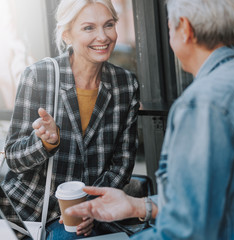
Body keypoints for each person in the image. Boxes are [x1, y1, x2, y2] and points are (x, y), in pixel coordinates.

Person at [67, 0, 234, 239]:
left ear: (185, 28)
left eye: (169, 25)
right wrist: (139, 206)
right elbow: (215, 198)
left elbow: (186, 230)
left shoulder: (203, 103)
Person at [2, 0, 139, 239]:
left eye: (108, 25)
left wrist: (90, 207)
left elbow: (123, 164)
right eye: (88, 28)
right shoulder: (39, 76)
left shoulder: (126, 85)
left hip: (89, 213)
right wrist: (45, 143)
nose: (102, 36)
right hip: (30, 212)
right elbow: (13, 158)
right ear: (67, 35)